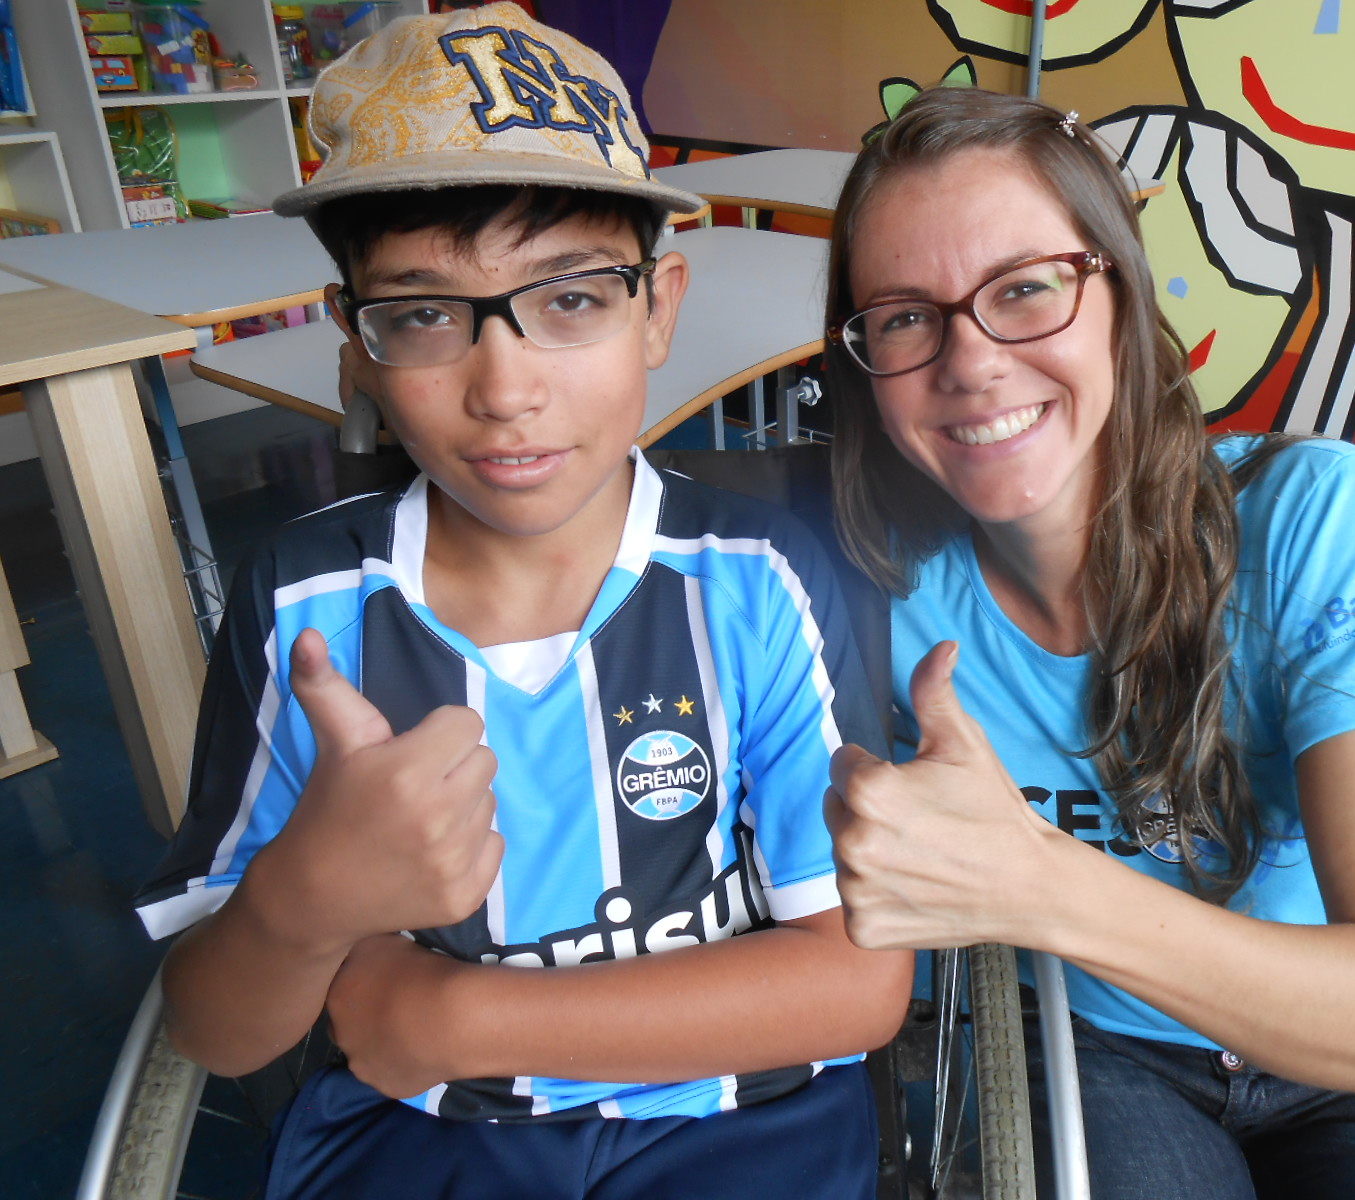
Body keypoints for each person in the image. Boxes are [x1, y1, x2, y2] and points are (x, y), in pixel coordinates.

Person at [133, 7, 910, 1198]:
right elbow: (217, 1031)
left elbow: (857, 985)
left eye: (571, 299)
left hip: (746, 1128)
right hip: (414, 1142)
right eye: (425, 313)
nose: (504, 389)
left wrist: (461, 1017)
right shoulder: (305, 606)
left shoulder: (759, 578)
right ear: (356, 344)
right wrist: (304, 903)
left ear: (658, 309)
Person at [820, 86, 1355, 1199]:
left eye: (1025, 289)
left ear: (1117, 290)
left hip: (1333, 1045)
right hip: (1105, 1050)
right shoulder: (878, 584)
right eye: (906, 315)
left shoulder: (1312, 517)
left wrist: (1036, 886)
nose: (969, 360)